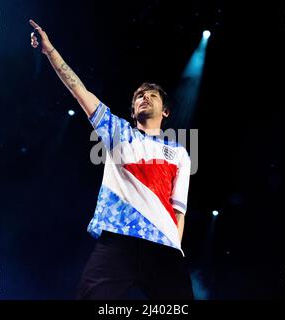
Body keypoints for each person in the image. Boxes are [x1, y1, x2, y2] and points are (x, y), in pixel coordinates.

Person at [30, 19, 194, 300]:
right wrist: (50, 51)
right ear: (132, 110)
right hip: (117, 242)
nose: (145, 97)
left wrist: (174, 250)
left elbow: (179, 211)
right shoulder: (117, 131)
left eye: (152, 95)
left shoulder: (179, 152)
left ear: (165, 111)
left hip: (163, 247)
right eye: (139, 96)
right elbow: (79, 90)